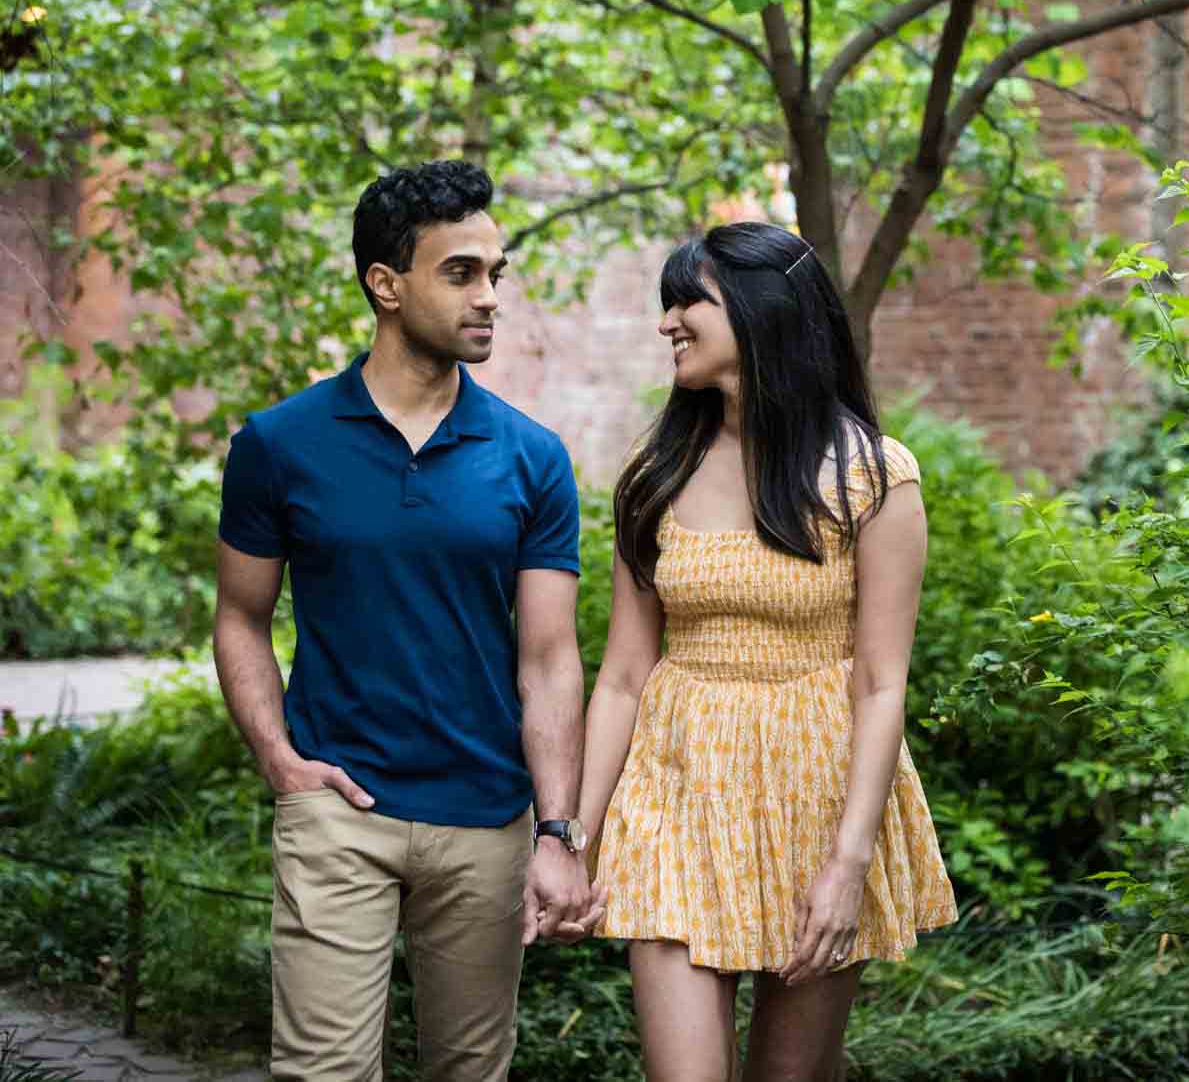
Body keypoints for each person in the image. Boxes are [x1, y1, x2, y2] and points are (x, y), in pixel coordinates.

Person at [213, 160, 598, 1080]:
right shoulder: (278, 445)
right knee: (321, 1072)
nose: (489, 297)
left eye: (495, 274)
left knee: (472, 1070)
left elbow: (549, 661)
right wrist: (280, 762)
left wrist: (557, 831)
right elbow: (239, 617)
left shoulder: (533, 459)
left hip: (485, 820)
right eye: (460, 272)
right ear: (385, 284)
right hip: (339, 810)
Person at [580, 223, 957, 1082]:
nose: (668, 321)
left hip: (821, 800)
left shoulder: (872, 475)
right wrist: (572, 836)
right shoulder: (654, 472)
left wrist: (850, 862)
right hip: (678, 790)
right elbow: (624, 674)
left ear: (760, 311)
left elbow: (879, 681)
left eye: (689, 302)